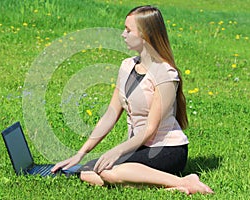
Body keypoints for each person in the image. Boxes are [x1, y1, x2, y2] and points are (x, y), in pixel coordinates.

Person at [51, 5, 214, 195]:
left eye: (128, 30)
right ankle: (171, 187)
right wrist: (81, 153)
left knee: (107, 172)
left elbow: (149, 130)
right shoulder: (126, 66)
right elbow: (110, 115)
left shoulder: (166, 75)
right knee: (86, 173)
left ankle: (185, 180)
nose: (123, 34)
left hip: (166, 149)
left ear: (146, 35)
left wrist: (117, 151)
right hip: (138, 148)